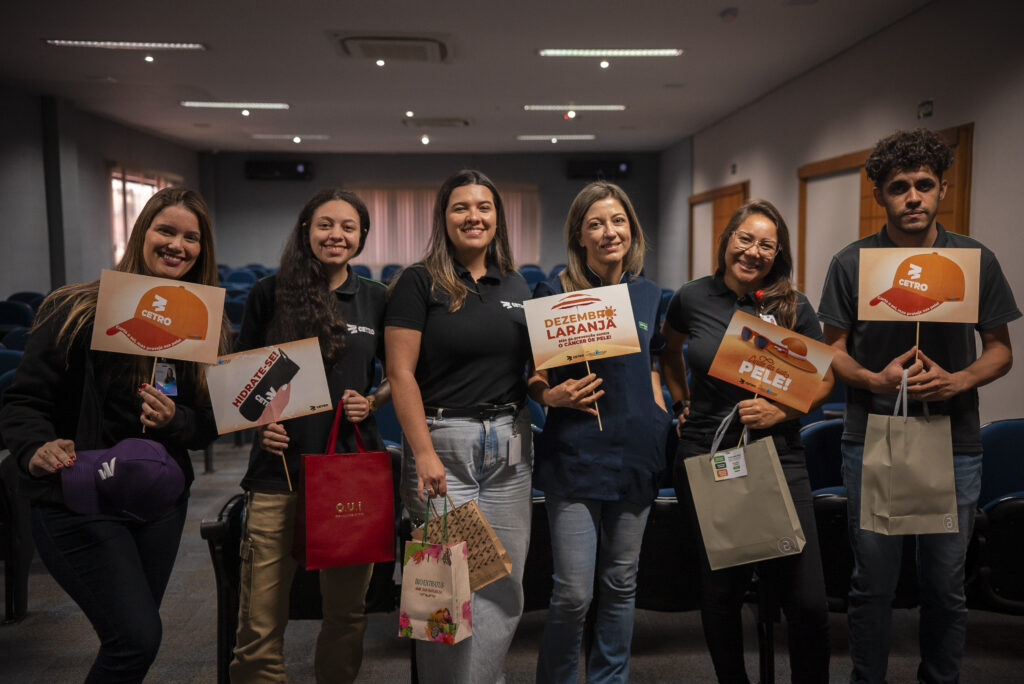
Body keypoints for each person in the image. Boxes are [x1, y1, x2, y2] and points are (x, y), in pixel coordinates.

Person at [0, 187, 229, 682]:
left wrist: (176, 421)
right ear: (141, 232)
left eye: (191, 238)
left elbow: (208, 421)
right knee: (135, 639)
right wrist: (35, 447)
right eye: (166, 230)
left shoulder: (204, 323)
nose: (177, 245)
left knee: (134, 641)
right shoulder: (76, 308)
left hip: (158, 503)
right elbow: (23, 402)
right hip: (77, 496)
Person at [817, 128, 1019, 684]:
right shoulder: (851, 263)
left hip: (955, 443)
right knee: (872, 584)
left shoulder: (974, 259)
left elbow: (1000, 350)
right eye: (899, 187)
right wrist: (874, 378)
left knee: (945, 586)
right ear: (880, 195)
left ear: (942, 190)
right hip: (873, 435)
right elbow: (830, 350)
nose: (913, 197)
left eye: (924, 185)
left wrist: (958, 381)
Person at [662, 199, 832, 683]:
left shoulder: (793, 306)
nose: (753, 251)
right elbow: (669, 351)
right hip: (708, 453)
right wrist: (680, 402)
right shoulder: (691, 297)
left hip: (778, 453)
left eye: (767, 245)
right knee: (721, 593)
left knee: (808, 600)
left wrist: (783, 409)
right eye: (746, 239)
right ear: (727, 240)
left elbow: (822, 381)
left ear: (778, 254)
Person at [229, 188, 391, 684]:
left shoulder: (376, 298)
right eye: (325, 225)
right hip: (278, 472)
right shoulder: (269, 292)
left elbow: (401, 374)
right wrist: (260, 423)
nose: (336, 235)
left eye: (348, 226)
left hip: (348, 472)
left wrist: (374, 401)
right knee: (258, 622)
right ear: (306, 230)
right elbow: (240, 379)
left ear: (362, 236)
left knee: (346, 615)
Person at [385, 169, 533, 683]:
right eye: (461, 208)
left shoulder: (516, 284)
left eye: (484, 207)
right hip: (443, 449)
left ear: (498, 217)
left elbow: (527, 373)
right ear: (443, 218)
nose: (474, 217)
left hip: (510, 449)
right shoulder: (418, 281)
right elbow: (400, 374)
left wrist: (549, 391)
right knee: (443, 594)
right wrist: (421, 453)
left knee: (502, 585)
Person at [531, 181, 671, 683]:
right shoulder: (556, 293)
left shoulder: (649, 294)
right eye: (596, 223)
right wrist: (551, 396)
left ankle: (609, 680)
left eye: (618, 221)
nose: (609, 232)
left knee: (621, 582)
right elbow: (534, 375)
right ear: (580, 235)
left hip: (637, 453)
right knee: (573, 592)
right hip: (576, 454)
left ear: (631, 230)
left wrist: (657, 410)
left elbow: (653, 363)